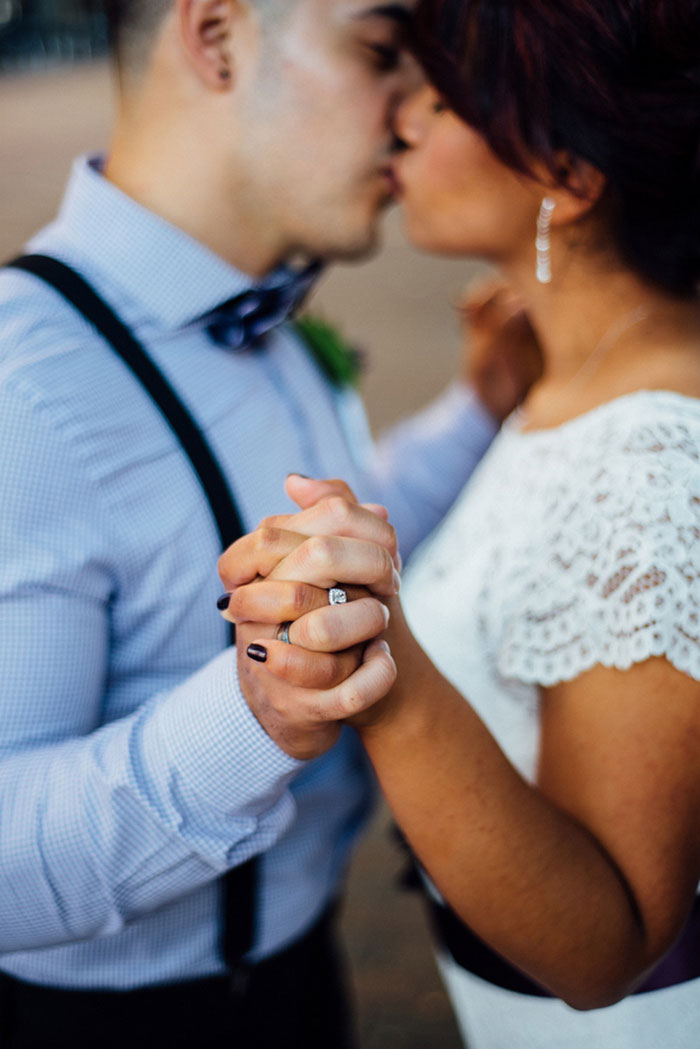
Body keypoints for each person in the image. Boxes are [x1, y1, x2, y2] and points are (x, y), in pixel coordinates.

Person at [0, 1, 540, 1047]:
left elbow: (328, 546)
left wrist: (477, 411)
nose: (415, 112)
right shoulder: (22, 393)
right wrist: (257, 715)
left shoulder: (273, 315)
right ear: (215, 38)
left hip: (302, 982)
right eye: (382, 54)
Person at [218, 0, 700, 1046]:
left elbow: (602, 944)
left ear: (567, 179)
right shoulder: (569, 378)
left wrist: (375, 665)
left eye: (440, 101)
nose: (401, 123)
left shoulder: (652, 464)